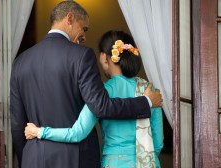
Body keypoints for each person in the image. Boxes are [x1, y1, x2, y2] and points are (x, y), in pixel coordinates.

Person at [10, 1, 163, 168]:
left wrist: (27, 155)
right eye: (84, 28)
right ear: (70, 18)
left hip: (34, 158)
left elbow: (17, 123)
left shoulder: (20, 62)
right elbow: (100, 105)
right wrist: (146, 102)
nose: (84, 37)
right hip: (76, 158)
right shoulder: (81, 56)